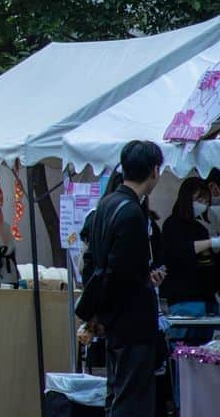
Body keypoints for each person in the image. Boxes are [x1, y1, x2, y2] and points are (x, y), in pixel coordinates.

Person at [80, 141, 166, 417]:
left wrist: (99, 316)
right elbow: (121, 274)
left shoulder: (106, 206)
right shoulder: (131, 213)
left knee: (117, 394)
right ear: (154, 171)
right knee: (132, 401)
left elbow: (92, 262)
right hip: (132, 322)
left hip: (115, 323)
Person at [161, 176, 220, 318]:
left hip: (207, 299)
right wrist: (211, 242)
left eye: (206, 201)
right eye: (199, 200)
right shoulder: (171, 225)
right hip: (184, 299)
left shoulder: (201, 229)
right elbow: (180, 250)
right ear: (186, 198)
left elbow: (208, 262)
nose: (203, 205)